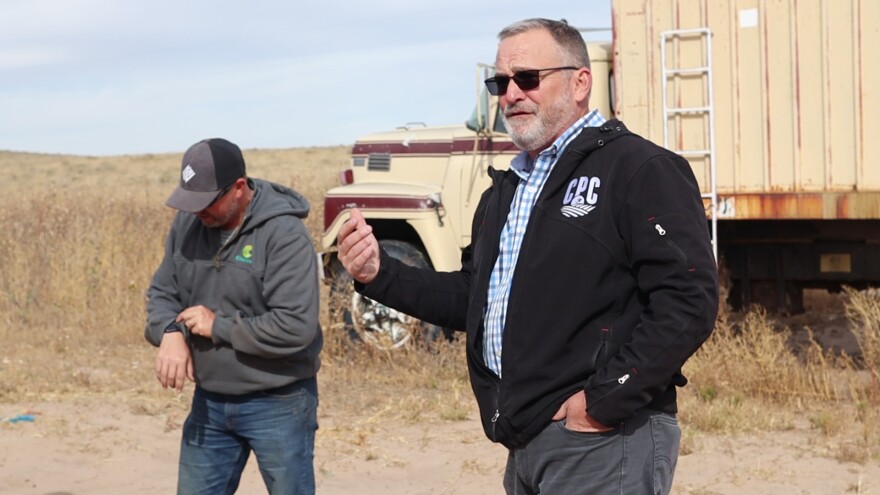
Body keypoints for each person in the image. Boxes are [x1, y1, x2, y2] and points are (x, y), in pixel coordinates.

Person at [337, 18, 719, 495]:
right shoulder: (507, 190)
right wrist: (379, 275)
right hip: (528, 438)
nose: (511, 94)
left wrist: (601, 403)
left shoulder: (638, 169)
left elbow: (689, 300)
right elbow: (474, 299)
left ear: (581, 82)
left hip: (602, 440)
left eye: (527, 78)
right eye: (500, 82)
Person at [144, 137, 322, 495]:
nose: (197, 212)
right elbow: (162, 293)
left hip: (279, 401)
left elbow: (295, 326)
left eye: (207, 202)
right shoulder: (188, 225)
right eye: (190, 202)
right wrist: (170, 331)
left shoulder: (284, 235)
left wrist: (218, 326)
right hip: (209, 402)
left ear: (239, 188)